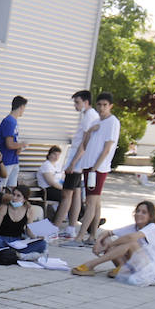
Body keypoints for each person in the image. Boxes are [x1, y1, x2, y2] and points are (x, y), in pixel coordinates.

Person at [72, 201, 155, 278]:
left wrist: (108, 246)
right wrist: (98, 243)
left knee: (130, 243)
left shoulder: (152, 227)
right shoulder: (134, 227)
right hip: (136, 263)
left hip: (150, 267)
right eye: (138, 211)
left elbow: (130, 238)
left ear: (151, 216)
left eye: (144, 212)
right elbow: (107, 233)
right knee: (107, 239)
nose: (139, 214)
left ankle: (91, 264)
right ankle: (122, 267)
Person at [76, 92, 121, 243]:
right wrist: (90, 131)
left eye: (105, 105)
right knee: (96, 202)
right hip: (89, 165)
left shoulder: (112, 122)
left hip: (98, 168)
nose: (102, 108)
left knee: (90, 202)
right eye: (99, 105)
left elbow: (108, 147)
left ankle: (80, 236)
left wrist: (95, 167)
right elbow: (85, 144)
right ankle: (93, 235)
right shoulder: (97, 121)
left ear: (110, 106)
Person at [54, 90, 100, 238]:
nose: (75, 105)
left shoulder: (89, 116)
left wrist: (72, 164)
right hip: (81, 162)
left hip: (78, 161)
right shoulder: (89, 115)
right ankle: (70, 228)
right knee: (76, 194)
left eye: (77, 102)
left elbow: (84, 143)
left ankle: (55, 228)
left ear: (86, 102)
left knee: (66, 195)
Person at [0, 185, 48, 260]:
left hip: (18, 241)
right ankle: (18, 254)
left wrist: (37, 237)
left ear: (24, 199)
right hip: (2, 239)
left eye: (18, 196)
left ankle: (10, 253)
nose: (14, 198)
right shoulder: (4, 207)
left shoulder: (28, 210)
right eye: (13, 194)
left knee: (42, 243)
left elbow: (29, 232)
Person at [0, 96, 29, 187]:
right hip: (5, 161)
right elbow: (9, 144)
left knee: (11, 189)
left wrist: (20, 147)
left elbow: (13, 143)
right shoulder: (9, 121)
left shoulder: (13, 121)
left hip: (13, 160)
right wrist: (23, 144)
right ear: (21, 107)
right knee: (1, 189)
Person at [36, 145, 65, 217]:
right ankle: (58, 217)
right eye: (54, 154)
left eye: (58, 155)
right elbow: (51, 182)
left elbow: (63, 178)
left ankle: (79, 215)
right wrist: (64, 189)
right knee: (66, 196)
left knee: (73, 194)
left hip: (57, 188)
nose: (56, 156)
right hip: (47, 190)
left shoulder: (58, 165)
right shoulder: (46, 165)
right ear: (49, 155)